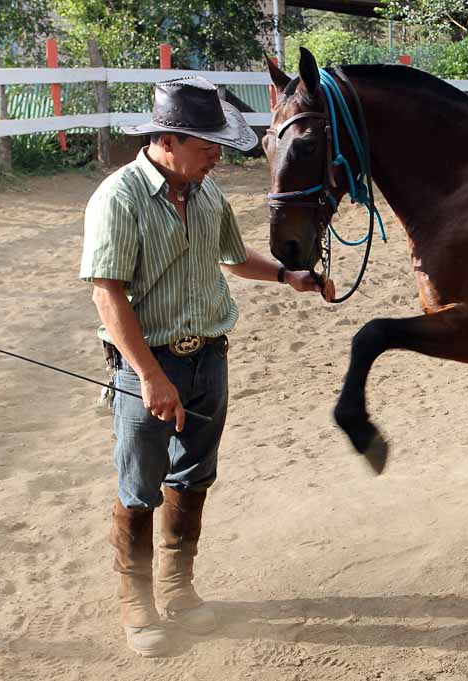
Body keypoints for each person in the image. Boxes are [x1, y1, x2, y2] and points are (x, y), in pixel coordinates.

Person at [79, 76, 329, 657]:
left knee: (193, 475)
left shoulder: (207, 191)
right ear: (168, 138)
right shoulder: (117, 199)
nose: (217, 153)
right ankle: (137, 604)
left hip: (208, 357)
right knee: (139, 484)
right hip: (149, 362)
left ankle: (177, 587)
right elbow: (107, 295)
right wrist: (149, 375)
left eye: (219, 142)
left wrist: (289, 277)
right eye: (206, 142)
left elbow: (234, 257)